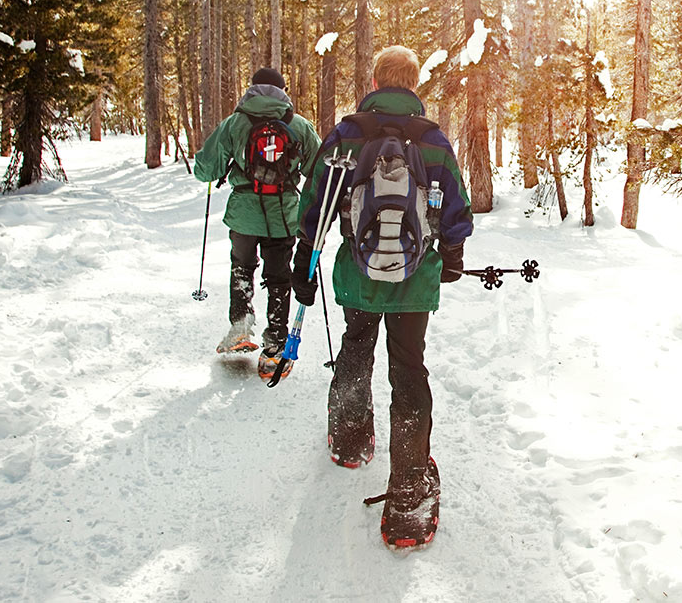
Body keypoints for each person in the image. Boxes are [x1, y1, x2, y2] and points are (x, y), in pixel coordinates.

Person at [292, 46, 473, 549]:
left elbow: (317, 204)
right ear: (413, 83)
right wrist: (451, 255)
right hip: (414, 279)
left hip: (358, 273)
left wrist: (303, 259)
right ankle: (409, 500)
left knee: (356, 344)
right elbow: (455, 207)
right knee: (409, 369)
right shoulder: (433, 140)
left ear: (375, 79)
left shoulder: (348, 135)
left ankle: (350, 438)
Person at [194, 67, 321, 378]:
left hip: (244, 214)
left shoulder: (234, 123)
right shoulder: (298, 125)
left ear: (252, 89)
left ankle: (240, 324)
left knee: (242, 265)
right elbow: (318, 170)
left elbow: (206, 169)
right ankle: (275, 349)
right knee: (279, 278)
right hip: (283, 214)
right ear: (282, 90)